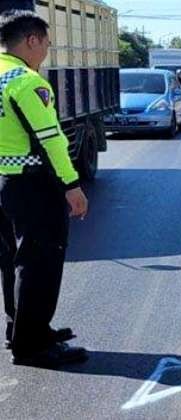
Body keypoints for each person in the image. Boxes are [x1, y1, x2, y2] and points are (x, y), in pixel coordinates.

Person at [0, 9, 88, 367]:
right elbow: (51, 140)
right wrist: (72, 185)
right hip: (32, 183)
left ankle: (18, 329)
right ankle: (33, 344)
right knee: (40, 261)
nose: (47, 51)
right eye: (47, 43)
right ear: (32, 40)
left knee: (12, 260)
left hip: (3, 183)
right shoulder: (25, 81)